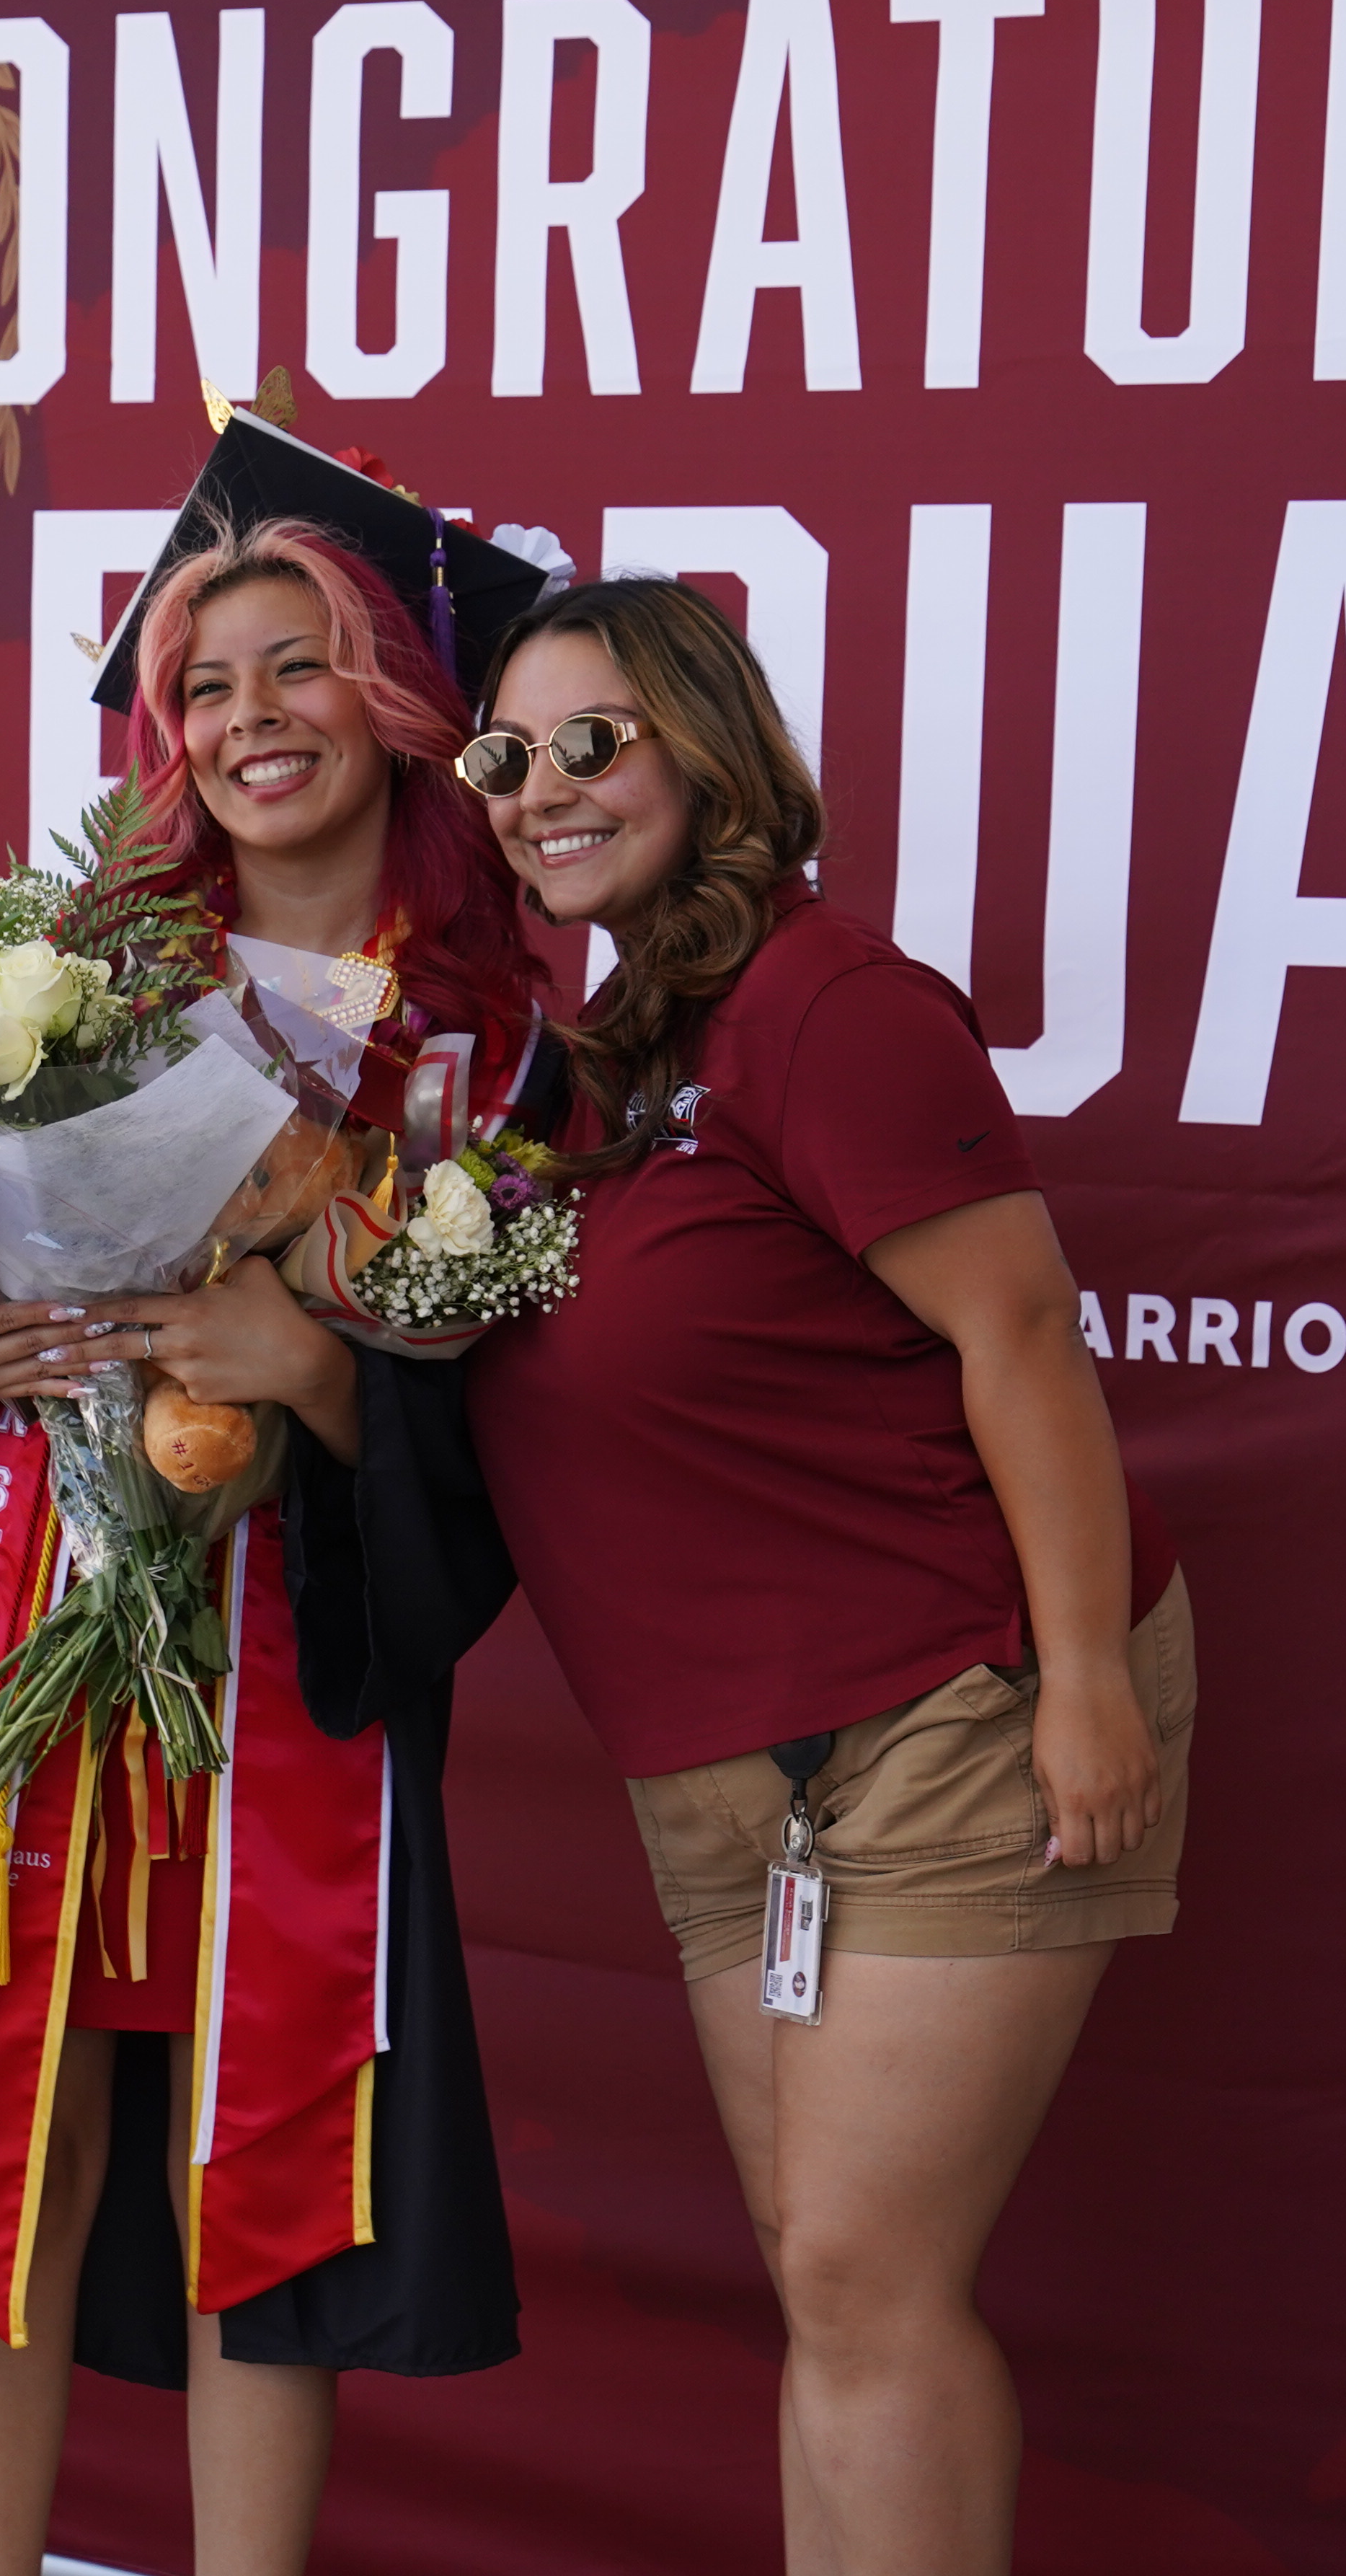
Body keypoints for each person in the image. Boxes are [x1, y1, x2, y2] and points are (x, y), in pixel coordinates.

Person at [0, 513, 544, 2576]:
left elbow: (505, 1421)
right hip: (17, 1616)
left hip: (279, 1680)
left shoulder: (495, 1044)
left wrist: (315, 1378)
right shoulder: (77, 972)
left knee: (257, 2151)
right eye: (207, 686)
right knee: (11, 2139)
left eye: (300, 665)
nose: (254, 720)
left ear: (397, 698)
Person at [454, 577, 1196, 2574]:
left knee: (867, 2277)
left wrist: (1083, 1686)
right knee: (828, 2282)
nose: (543, 788)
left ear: (710, 745)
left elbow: (1021, 1335)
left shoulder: (828, 1002)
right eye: (505, 756)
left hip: (946, 1712)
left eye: (591, 739)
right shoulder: (616, 1043)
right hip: (723, 1771)